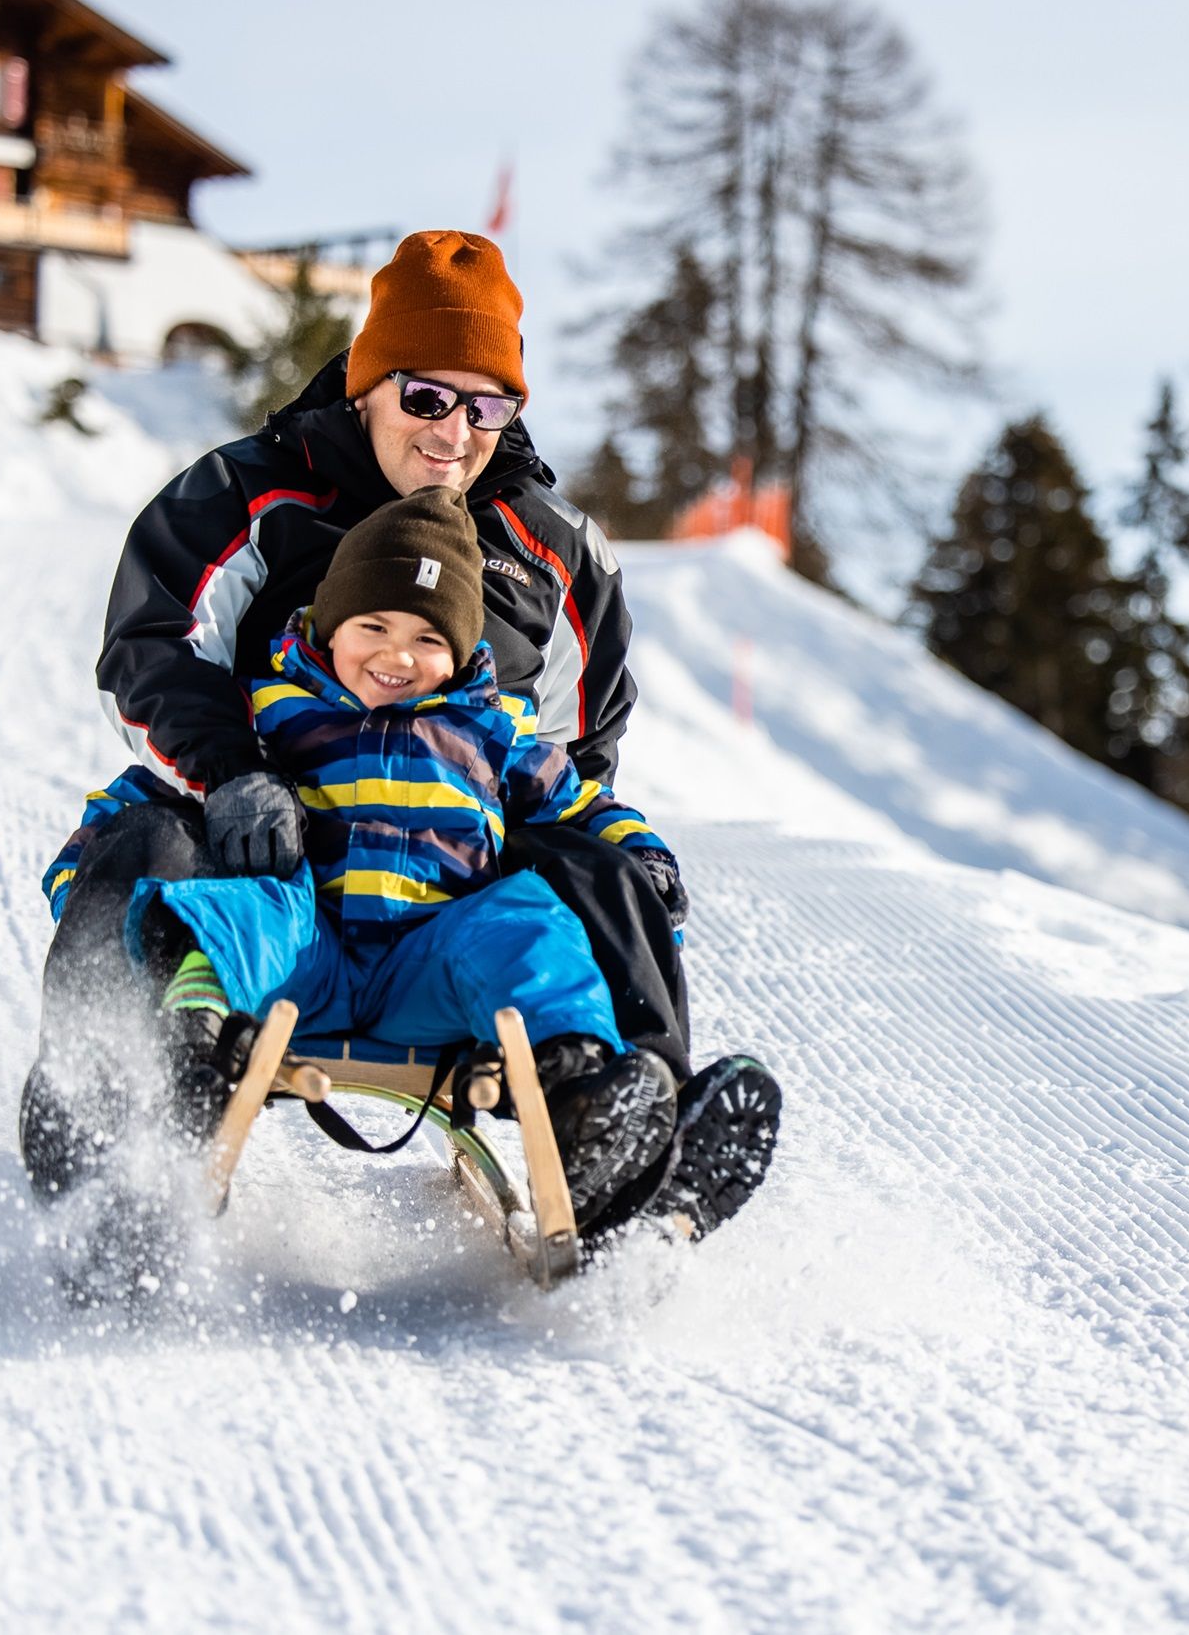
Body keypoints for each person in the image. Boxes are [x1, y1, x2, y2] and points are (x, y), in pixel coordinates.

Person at [22, 229, 779, 1243]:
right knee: (148, 848)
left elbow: (578, 741)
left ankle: (627, 1148)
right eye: (426, 397)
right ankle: (104, 1119)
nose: (454, 431)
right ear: (368, 387)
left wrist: (569, 843)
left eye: (487, 404)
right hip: (269, 858)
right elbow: (152, 644)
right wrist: (238, 777)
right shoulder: (252, 494)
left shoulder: (548, 552)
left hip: (441, 900)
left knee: (597, 872)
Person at [40, 489, 705, 1234]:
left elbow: (578, 806)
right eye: (374, 626)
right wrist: (85, 870)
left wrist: (641, 853)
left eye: (429, 639)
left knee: (524, 921)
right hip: (304, 957)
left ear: (461, 652)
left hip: (431, 969)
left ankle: (582, 1093)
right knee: (241, 909)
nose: (397, 655)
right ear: (329, 626)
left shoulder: (494, 734)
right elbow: (149, 792)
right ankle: (187, 1061)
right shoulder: (271, 713)